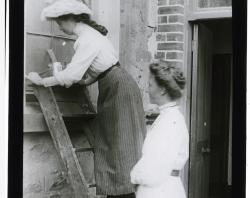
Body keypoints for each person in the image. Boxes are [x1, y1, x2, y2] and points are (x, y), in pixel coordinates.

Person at [26, 0, 146, 197]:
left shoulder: (87, 39)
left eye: (59, 22)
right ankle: (118, 191)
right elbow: (98, 70)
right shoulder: (91, 36)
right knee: (113, 142)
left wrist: (41, 81)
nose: (59, 26)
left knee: (120, 143)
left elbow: (72, 75)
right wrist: (82, 82)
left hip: (118, 88)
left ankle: (123, 192)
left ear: (70, 19)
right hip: (114, 84)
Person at [130, 61, 189, 198]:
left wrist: (135, 177)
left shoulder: (170, 121)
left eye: (150, 85)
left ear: (162, 89)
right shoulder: (166, 117)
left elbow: (155, 167)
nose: (146, 89)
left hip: (161, 190)